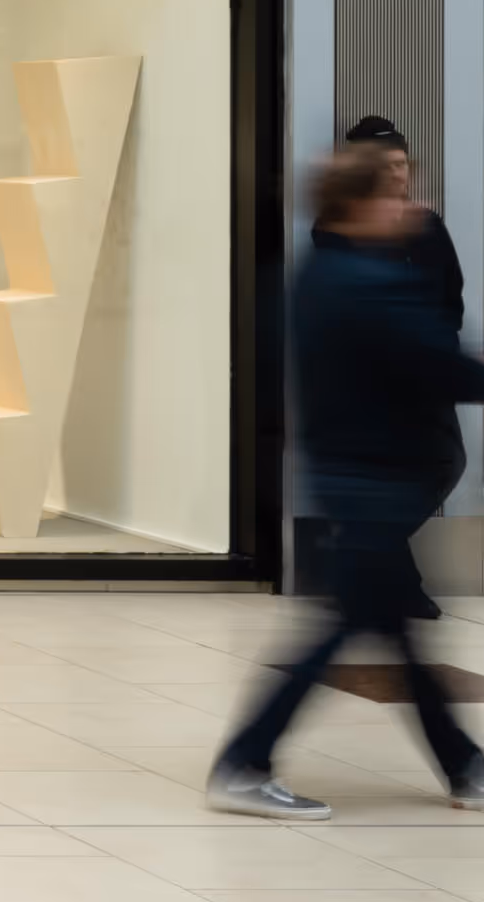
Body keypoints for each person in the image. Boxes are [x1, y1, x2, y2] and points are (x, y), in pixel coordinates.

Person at [207, 139, 484, 819]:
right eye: (392, 192)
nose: (407, 203)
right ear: (361, 203)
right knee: (342, 631)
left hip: (350, 477)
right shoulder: (367, 282)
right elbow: (437, 363)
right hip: (375, 483)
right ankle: (244, 762)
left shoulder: (319, 273)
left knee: (392, 632)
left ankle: (464, 766)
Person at [343, 114, 466, 327]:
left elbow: (452, 293)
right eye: (385, 166)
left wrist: (443, 343)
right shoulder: (342, 231)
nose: (396, 174)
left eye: (401, 164)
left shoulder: (429, 223)